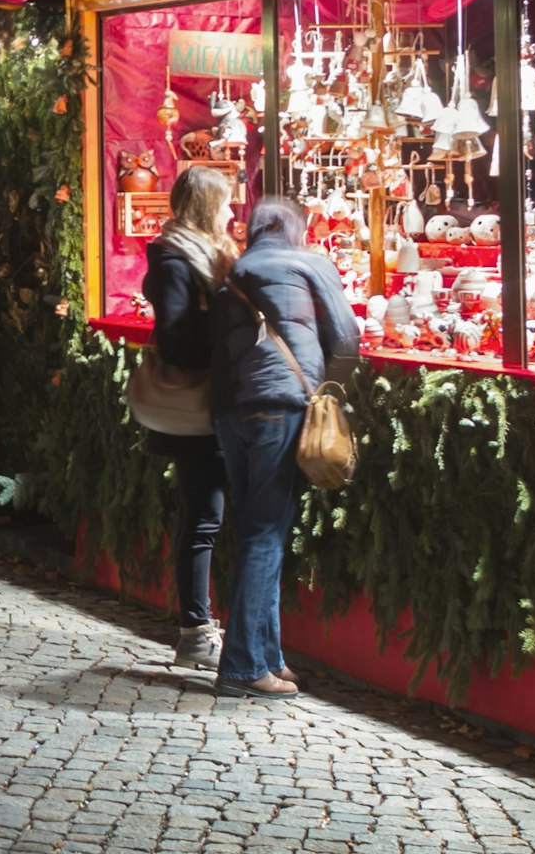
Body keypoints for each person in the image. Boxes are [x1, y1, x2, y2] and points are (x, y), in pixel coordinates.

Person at [207, 195, 362, 699]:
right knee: (266, 533)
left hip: (231, 409)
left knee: (255, 527)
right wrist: (330, 391)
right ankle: (243, 665)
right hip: (281, 405)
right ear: (298, 227)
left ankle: (267, 654)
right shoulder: (308, 262)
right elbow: (346, 336)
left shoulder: (233, 272)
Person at [138, 165, 238, 675]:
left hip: (218, 403)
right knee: (203, 517)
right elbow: (176, 338)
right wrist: (229, 344)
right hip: (200, 407)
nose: (232, 212)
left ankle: (207, 627)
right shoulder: (176, 259)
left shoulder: (202, 253)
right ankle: (196, 631)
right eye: (224, 204)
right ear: (205, 208)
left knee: (209, 515)